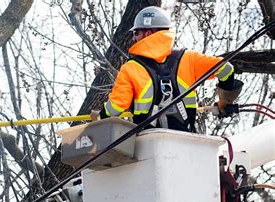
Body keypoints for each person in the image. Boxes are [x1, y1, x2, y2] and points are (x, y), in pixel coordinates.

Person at [99, 6, 243, 132]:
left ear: (148, 34)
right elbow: (226, 69)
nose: (133, 38)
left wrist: (99, 118)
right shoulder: (189, 59)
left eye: (136, 33)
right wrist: (224, 102)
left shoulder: (130, 68)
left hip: (148, 146)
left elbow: (115, 108)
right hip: (184, 142)